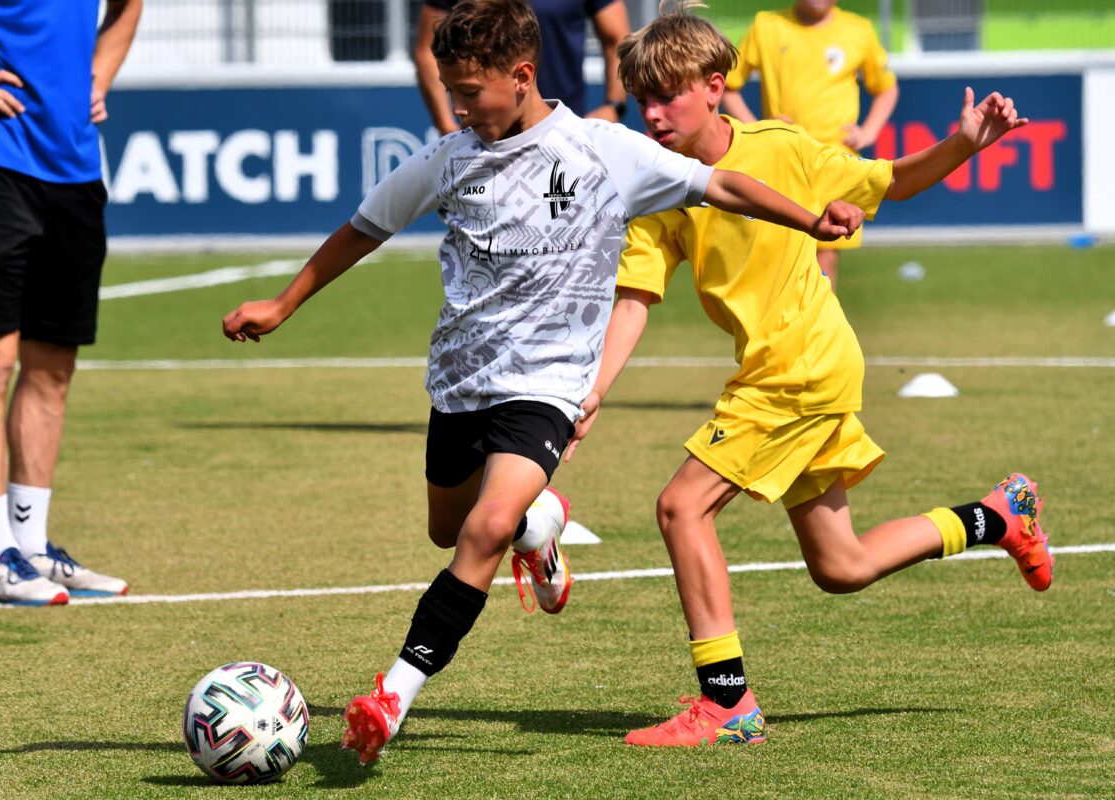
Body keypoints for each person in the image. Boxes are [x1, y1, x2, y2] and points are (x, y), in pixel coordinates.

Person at [223, 0, 855, 766]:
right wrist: (283, 304)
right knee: (450, 530)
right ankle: (539, 528)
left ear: (522, 77)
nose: (459, 107)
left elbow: (720, 186)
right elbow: (364, 229)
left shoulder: (600, 150)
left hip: (549, 382)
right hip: (462, 377)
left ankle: (393, 694)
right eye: (452, 92)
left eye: (470, 92)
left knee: (483, 529)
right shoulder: (449, 159)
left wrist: (807, 219)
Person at [564, 6, 1051, 747]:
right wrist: (594, 390)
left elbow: (887, 180)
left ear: (715, 87)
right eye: (643, 100)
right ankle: (997, 515)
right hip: (789, 369)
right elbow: (634, 300)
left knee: (680, 508)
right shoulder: (656, 190)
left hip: (800, 368)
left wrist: (962, 143)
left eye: (668, 95)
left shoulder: (782, 148)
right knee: (842, 566)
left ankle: (728, 704)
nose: (653, 113)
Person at [0, 0, 142, 605]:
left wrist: (98, 77)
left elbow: (128, 5)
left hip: (75, 167)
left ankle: (33, 548)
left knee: (53, 367)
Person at [721, 0, 899, 291]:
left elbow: (886, 87)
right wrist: (756, 129)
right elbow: (729, 84)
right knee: (778, 252)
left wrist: (868, 132)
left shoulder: (858, 30)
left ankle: (819, 330)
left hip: (835, 159)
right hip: (783, 159)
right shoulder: (767, 26)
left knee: (825, 255)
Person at [413, 0, 631, 133]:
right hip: (484, 139)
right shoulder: (447, 158)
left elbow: (617, 38)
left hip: (565, 127)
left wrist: (613, 106)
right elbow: (427, 49)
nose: (457, 108)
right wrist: (446, 125)